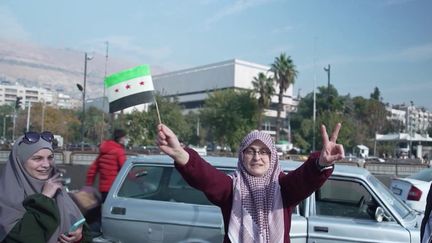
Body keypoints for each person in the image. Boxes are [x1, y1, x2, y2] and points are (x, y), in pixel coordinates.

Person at [157, 123, 344, 243]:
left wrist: (321, 162)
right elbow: (207, 178)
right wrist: (181, 154)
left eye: (264, 152)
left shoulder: (283, 187)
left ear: (272, 157)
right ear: (242, 155)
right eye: (250, 151)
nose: (257, 157)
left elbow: (304, 179)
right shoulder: (232, 186)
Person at [0, 131, 91, 243]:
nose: (46, 165)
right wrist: (44, 198)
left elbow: (84, 231)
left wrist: (79, 237)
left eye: (50, 157)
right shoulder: (6, 198)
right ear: (20, 162)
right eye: (37, 158)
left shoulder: (58, 190)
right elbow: (20, 238)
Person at [85, 128, 127, 202]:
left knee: (104, 208)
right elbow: (125, 168)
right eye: (125, 137)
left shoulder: (103, 151)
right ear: (121, 138)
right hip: (115, 188)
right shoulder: (119, 151)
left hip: (103, 189)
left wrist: (89, 184)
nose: (126, 140)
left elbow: (93, 169)